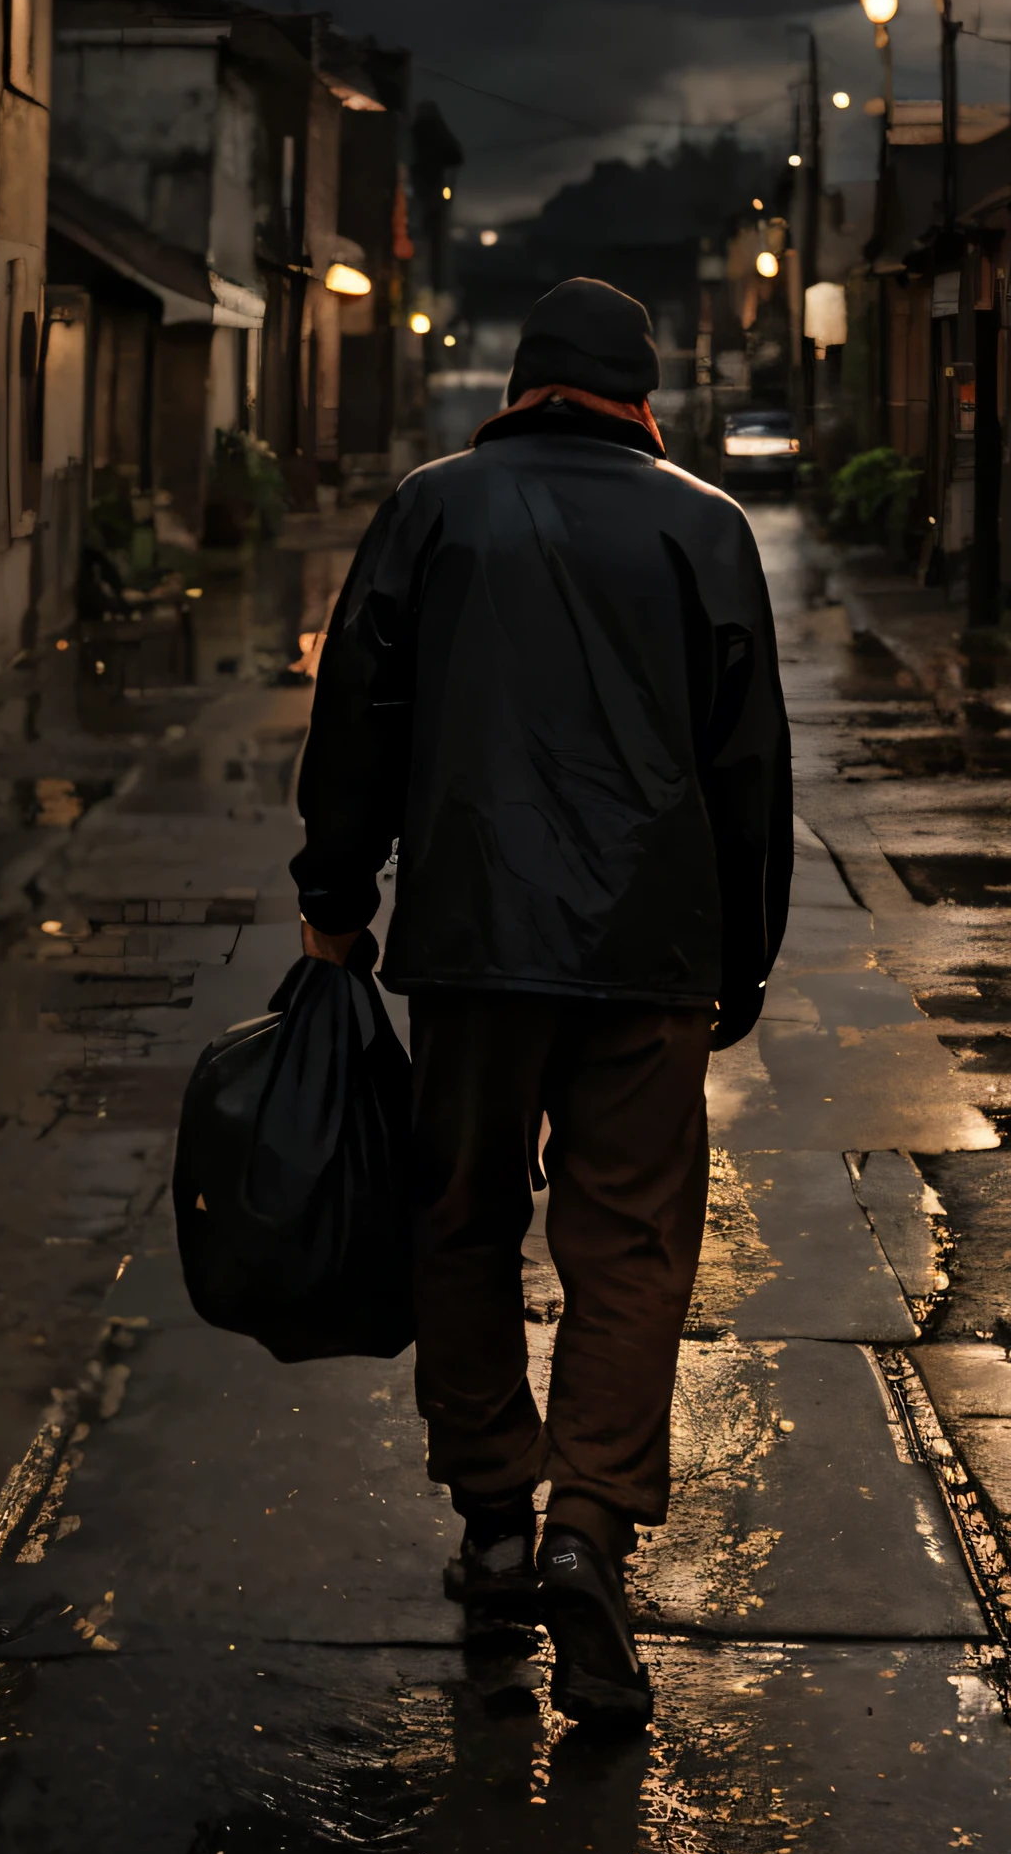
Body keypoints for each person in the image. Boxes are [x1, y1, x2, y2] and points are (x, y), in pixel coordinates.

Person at [292, 276, 791, 1725]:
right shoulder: (707, 527)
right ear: (643, 396)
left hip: (468, 942)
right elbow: (749, 771)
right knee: (630, 1245)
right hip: (652, 956)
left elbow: (357, 717)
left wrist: (338, 900)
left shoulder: (432, 509)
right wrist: (739, 959)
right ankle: (591, 1533)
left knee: (461, 1217)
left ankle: (498, 1519)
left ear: (522, 385)